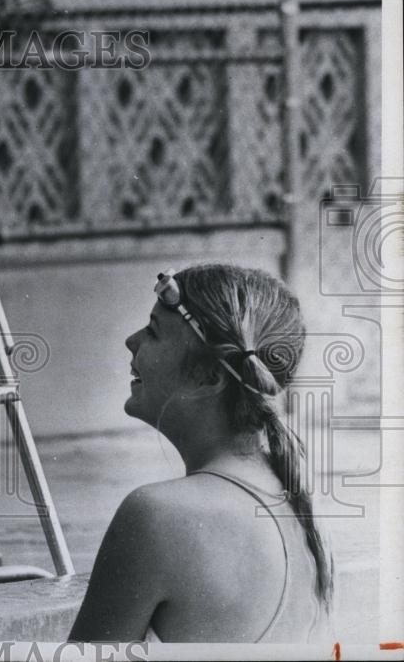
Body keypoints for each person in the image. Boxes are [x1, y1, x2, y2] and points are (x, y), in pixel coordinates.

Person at [69, 265, 334, 643]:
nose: (132, 340)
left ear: (210, 377)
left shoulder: (156, 515)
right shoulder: (297, 495)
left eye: (154, 330)